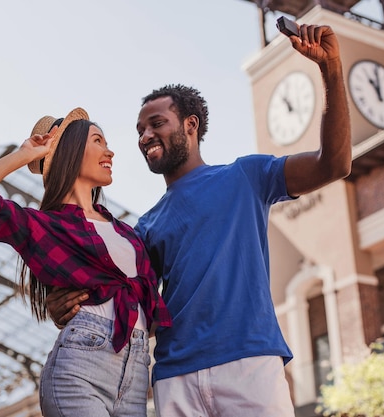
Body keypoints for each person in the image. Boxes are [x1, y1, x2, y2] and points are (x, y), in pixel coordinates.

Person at [48, 23, 351, 417]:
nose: (144, 136)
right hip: (174, 378)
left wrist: (330, 70)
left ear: (190, 125)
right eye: (140, 129)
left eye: (157, 123)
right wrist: (74, 308)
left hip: (250, 363)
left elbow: (335, 164)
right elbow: (134, 309)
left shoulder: (246, 176)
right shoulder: (145, 227)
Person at [0, 108, 172, 417]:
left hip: (136, 370)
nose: (109, 151)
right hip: (81, 369)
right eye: (98, 140)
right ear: (70, 152)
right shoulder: (44, 226)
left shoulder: (127, 233)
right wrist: (27, 153)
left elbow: (147, 312)